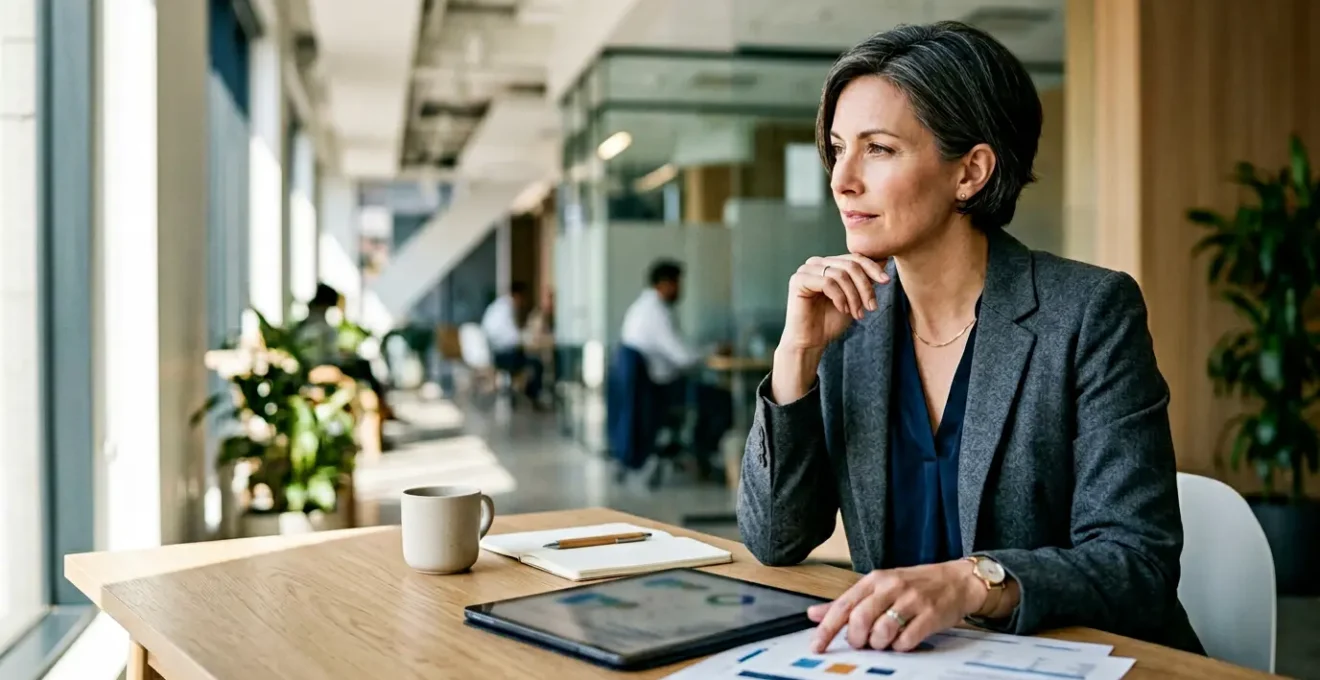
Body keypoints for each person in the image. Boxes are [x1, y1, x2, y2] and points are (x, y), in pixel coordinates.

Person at [736, 21, 1202, 656]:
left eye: (878, 149)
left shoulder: (1089, 312)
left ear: (971, 172)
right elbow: (775, 538)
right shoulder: (849, 323)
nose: (843, 180)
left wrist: (973, 582)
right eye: (838, 148)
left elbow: (1137, 563)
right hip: (915, 664)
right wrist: (797, 357)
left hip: (1076, 661)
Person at [620, 260, 731, 479]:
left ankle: (699, 454)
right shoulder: (656, 312)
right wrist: (713, 351)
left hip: (650, 387)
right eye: (678, 283)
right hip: (661, 390)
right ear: (665, 284)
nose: (681, 289)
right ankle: (702, 455)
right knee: (723, 401)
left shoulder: (641, 307)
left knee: (710, 395)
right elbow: (683, 358)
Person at [481, 282, 543, 404]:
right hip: (504, 355)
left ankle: (524, 394)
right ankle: (533, 399)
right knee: (536, 364)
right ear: (517, 295)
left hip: (496, 353)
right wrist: (526, 338)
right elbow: (511, 336)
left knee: (529, 361)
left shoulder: (497, 307)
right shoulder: (505, 308)